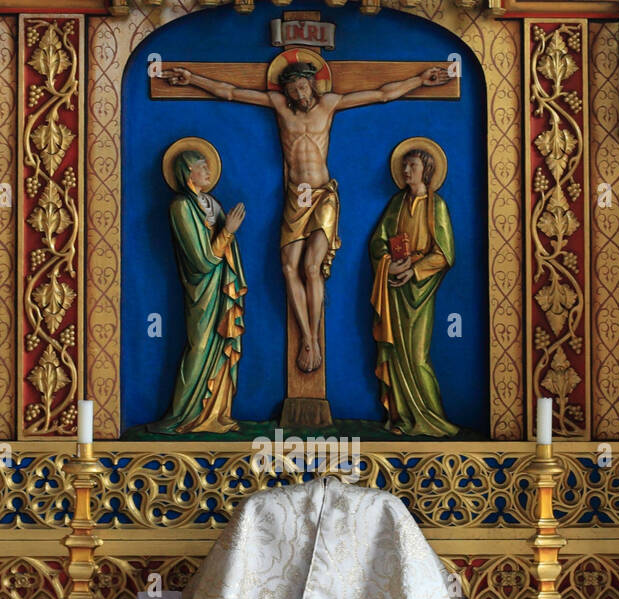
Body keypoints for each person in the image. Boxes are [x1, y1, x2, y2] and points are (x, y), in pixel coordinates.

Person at [162, 56, 450, 375]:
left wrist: (420, 80)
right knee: (288, 269)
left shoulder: (329, 104)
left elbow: (383, 93)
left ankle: (312, 338)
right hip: (295, 198)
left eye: (302, 86)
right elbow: (229, 91)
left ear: (312, 83)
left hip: (323, 195)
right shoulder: (279, 106)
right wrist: (191, 78)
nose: (299, 93)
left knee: (312, 267)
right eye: (292, 88)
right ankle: (308, 337)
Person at [151, 143, 247, 434]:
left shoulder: (211, 203)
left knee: (220, 348)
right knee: (200, 346)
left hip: (221, 287)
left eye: (207, 166)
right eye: (201, 166)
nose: (207, 171)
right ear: (187, 173)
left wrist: (226, 230)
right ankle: (182, 415)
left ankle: (216, 413)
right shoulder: (180, 207)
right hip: (202, 288)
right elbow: (201, 260)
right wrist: (227, 231)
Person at [369, 143, 458, 436]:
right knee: (395, 354)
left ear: (427, 171)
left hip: (419, 290)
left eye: (413, 166)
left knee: (417, 356)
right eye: (404, 166)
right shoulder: (397, 203)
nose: (407, 171)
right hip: (394, 286)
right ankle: (403, 419)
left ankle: (432, 417)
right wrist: (387, 264)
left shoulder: (437, 206)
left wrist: (413, 270)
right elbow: (378, 240)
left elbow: (444, 254)